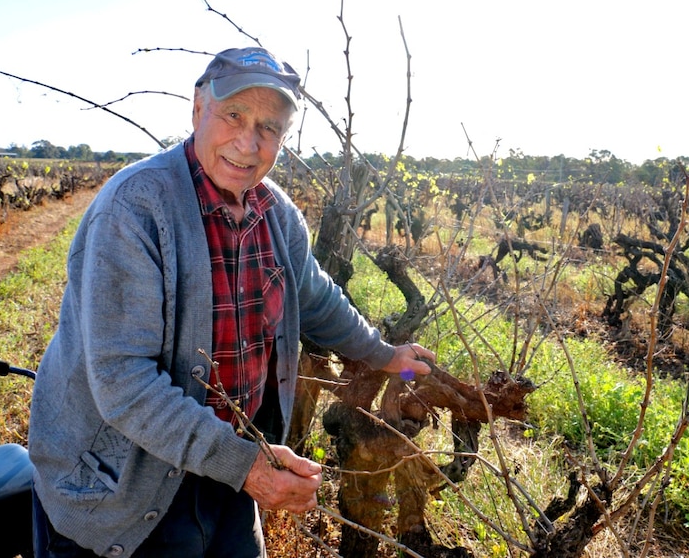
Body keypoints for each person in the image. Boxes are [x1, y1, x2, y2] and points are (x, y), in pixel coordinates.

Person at [27, 46, 434, 558]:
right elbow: (124, 383)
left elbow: (317, 298)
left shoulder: (275, 214)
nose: (249, 141)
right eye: (234, 115)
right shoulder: (134, 210)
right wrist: (247, 467)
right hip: (124, 483)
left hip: (226, 468)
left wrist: (385, 354)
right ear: (199, 109)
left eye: (270, 127)